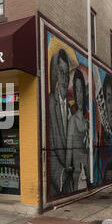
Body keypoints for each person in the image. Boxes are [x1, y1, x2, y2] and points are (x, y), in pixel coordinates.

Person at [49, 49, 71, 197]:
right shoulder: (50, 103)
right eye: (61, 72)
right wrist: (63, 178)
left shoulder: (71, 108)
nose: (65, 78)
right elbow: (49, 149)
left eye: (66, 73)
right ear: (56, 75)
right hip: (57, 185)